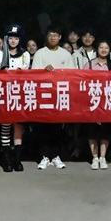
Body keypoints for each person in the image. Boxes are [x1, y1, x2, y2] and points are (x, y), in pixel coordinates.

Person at [31, 26, 75, 170]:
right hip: (43, 96)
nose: (53, 37)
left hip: (59, 96)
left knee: (57, 128)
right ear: (47, 37)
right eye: (51, 35)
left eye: (56, 35)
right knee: (43, 127)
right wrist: (44, 71)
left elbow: (72, 75)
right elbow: (34, 74)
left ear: (60, 37)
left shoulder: (65, 54)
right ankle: (44, 156)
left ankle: (56, 155)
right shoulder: (40, 53)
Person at [0, 24, 31, 172]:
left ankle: (17, 159)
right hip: (4, 93)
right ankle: (7, 159)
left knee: (19, 126)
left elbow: (27, 73)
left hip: (20, 93)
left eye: (16, 38)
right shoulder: (0, 54)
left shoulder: (25, 55)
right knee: (5, 125)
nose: (13, 41)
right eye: (10, 38)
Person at [83, 39, 111, 170]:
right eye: (101, 47)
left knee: (106, 131)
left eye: (106, 48)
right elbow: (82, 82)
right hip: (92, 102)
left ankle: (103, 157)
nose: (103, 50)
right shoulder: (89, 64)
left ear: (110, 50)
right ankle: (95, 157)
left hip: (107, 102)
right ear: (97, 49)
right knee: (92, 131)